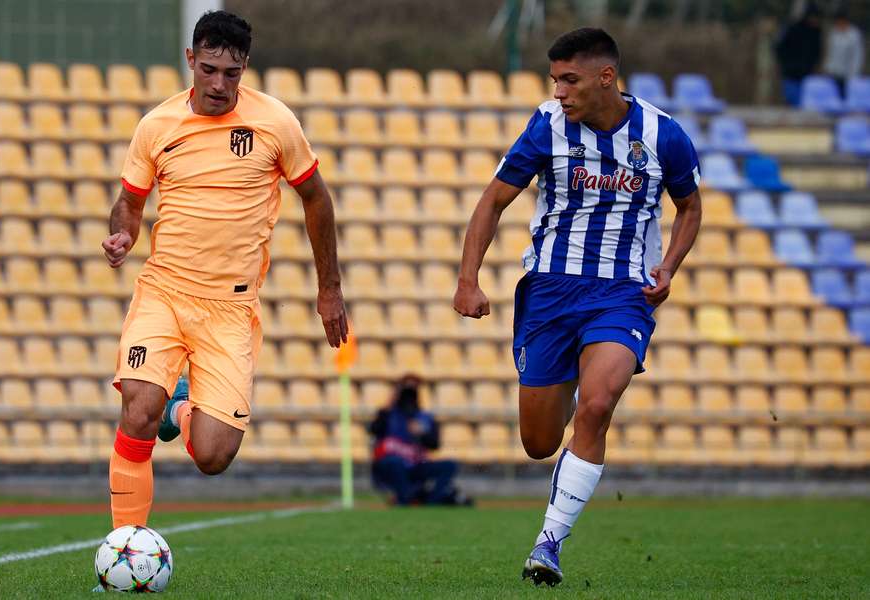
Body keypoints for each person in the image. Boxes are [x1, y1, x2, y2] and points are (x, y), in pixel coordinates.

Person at [453, 28, 701, 586]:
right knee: (539, 443)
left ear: (605, 77)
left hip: (621, 294)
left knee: (597, 405)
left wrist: (669, 268)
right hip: (550, 291)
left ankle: (549, 544)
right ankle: (564, 400)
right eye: (555, 80)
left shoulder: (664, 136)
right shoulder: (546, 125)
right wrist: (467, 279)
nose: (559, 91)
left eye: (569, 79)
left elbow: (689, 208)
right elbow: (494, 200)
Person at [101, 10, 347, 531]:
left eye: (230, 74)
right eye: (208, 69)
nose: (218, 84)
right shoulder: (157, 126)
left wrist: (330, 290)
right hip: (163, 292)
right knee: (137, 408)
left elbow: (316, 199)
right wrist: (123, 232)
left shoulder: (275, 122)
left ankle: (180, 410)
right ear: (191, 60)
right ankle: (126, 546)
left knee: (213, 456)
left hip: (231, 308)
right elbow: (129, 200)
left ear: (245, 68)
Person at [369, 375, 470, 506]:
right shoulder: (388, 414)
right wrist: (388, 407)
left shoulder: (425, 417)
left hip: (416, 465)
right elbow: (374, 429)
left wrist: (422, 433)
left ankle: (433, 501)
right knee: (394, 462)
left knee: (450, 465)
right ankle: (404, 499)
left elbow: (435, 445)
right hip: (392, 466)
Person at [774, 3, 823, 106]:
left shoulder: (816, 32)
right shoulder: (792, 28)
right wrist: (786, 64)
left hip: (807, 76)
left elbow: (817, 52)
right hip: (791, 74)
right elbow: (779, 47)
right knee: (792, 103)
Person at [823, 8, 864, 96]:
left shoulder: (854, 34)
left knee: (846, 95)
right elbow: (830, 52)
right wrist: (827, 68)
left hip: (848, 73)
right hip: (833, 72)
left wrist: (854, 72)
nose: (839, 24)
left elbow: (857, 55)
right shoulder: (834, 32)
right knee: (832, 95)